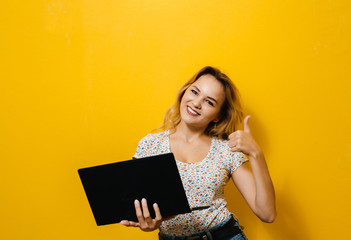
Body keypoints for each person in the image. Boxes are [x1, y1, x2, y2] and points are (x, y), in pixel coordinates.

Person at [120, 66, 276, 239]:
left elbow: (267, 213)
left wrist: (256, 153)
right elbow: (136, 205)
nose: (196, 103)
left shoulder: (226, 149)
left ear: (217, 115)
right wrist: (147, 224)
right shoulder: (150, 145)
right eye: (194, 92)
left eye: (209, 102)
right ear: (184, 92)